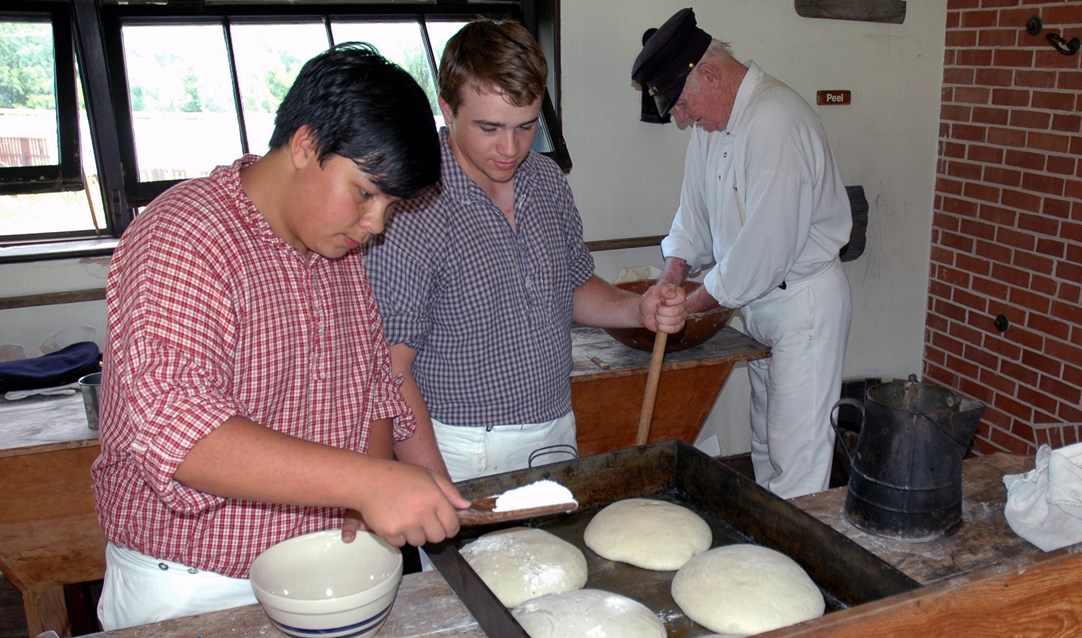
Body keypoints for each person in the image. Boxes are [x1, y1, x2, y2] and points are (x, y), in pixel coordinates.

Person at [91, 43, 469, 630]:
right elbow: (185, 435)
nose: (374, 225)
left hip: (321, 568)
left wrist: (364, 499)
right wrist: (370, 480)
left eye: (390, 207)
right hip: (195, 586)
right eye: (366, 193)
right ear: (304, 144)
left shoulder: (337, 251)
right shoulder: (184, 237)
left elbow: (372, 386)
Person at [365, 19, 685, 486]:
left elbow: (571, 287)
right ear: (447, 108)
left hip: (555, 425)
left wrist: (639, 309)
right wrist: (433, 486)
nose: (510, 148)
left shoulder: (547, 181)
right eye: (489, 127)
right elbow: (392, 370)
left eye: (526, 126)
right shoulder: (412, 207)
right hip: (462, 446)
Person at [632, 8, 854, 499]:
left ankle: (798, 566)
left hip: (802, 304)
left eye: (684, 106)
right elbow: (691, 219)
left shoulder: (775, 121)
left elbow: (763, 253)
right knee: (766, 441)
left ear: (708, 73)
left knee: (796, 454)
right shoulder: (713, 127)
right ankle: (769, 545)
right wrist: (672, 278)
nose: (683, 120)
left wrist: (686, 308)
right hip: (755, 304)